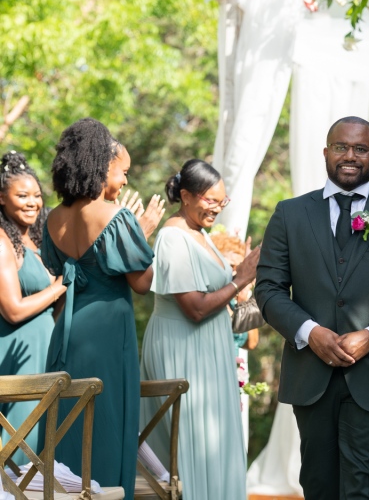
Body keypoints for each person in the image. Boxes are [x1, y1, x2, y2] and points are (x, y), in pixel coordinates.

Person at [254, 116, 369, 500]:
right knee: (318, 486)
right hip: (310, 377)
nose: (350, 156)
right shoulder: (289, 214)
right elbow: (269, 289)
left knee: (366, 489)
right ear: (326, 151)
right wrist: (310, 332)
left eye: (360, 149)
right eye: (341, 147)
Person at [41, 118, 160, 498]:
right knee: (108, 422)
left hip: (69, 332)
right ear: (102, 164)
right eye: (123, 172)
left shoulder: (53, 218)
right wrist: (143, 232)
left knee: (66, 423)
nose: (124, 181)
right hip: (109, 334)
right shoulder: (115, 217)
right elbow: (142, 283)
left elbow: (60, 271)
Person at [140, 159, 260, 500]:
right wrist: (241, 279)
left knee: (215, 440)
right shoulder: (172, 237)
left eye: (222, 202)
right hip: (183, 346)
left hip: (210, 348)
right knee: (192, 443)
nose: (217, 209)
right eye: (210, 200)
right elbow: (193, 308)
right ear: (186, 195)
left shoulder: (200, 234)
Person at [0, 151, 66, 465]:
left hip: (45, 347)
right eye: (22, 195)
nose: (32, 203)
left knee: (44, 442)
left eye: (37, 196)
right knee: (19, 441)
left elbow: (51, 305)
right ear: (1, 198)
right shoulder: (2, 241)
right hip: (18, 353)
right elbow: (12, 310)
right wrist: (58, 288)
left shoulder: (38, 242)